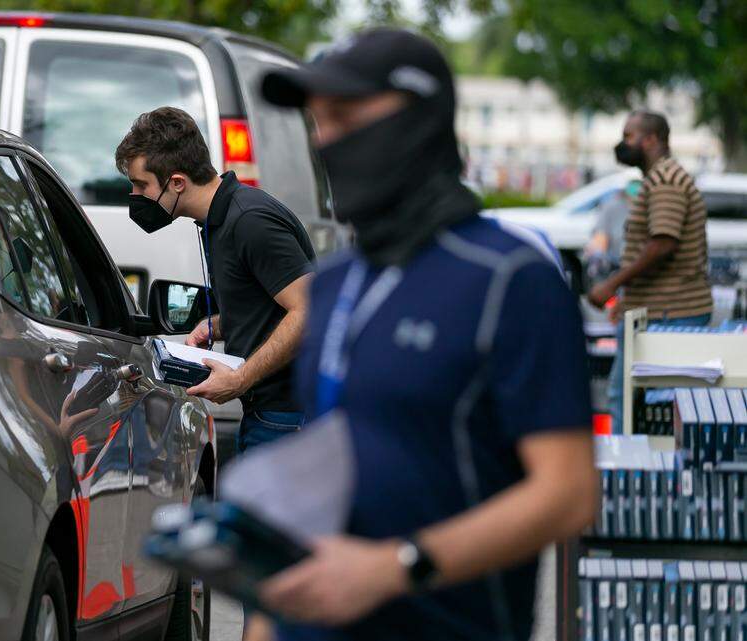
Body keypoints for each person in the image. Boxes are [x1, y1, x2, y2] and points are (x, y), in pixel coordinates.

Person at [244, 28, 598, 640]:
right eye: (319, 122)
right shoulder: (331, 283)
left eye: (346, 116)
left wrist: (395, 567)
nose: (327, 139)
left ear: (421, 119)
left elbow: (567, 492)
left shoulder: (512, 280)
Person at [115, 106, 316, 452]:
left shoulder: (251, 221)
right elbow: (269, 304)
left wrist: (239, 379)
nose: (134, 196)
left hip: (288, 420)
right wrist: (220, 325)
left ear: (176, 183)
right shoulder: (217, 221)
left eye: (140, 185)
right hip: (266, 414)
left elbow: (310, 309)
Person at [587, 111, 712, 431]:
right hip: (662, 310)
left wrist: (611, 286)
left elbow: (662, 243)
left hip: (671, 312)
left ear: (652, 139)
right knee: (645, 405)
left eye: (629, 136)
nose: (623, 144)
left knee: (625, 401)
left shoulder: (665, 181)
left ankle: (627, 476)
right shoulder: (660, 178)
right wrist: (629, 301)